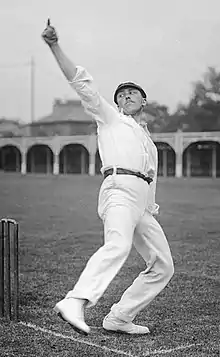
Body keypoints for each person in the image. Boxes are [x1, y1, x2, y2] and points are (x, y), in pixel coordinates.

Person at [42, 19, 174, 336]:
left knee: (163, 266)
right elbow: (82, 83)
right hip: (118, 191)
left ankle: (119, 317)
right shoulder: (111, 119)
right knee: (117, 245)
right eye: (121, 94)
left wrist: (150, 208)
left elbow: (150, 179)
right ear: (115, 103)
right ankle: (76, 300)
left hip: (141, 204)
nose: (126, 96)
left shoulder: (147, 140)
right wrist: (55, 46)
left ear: (145, 102)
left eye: (133, 93)